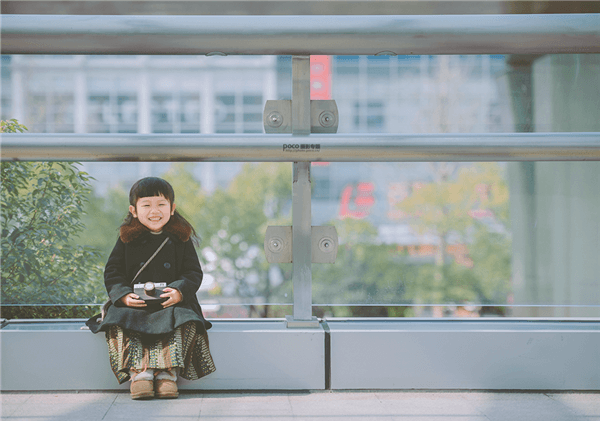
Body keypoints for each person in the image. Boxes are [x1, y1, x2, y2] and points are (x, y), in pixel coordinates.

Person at [86, 177, 216, 400]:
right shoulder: (126, 239)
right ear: (134, 210)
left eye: (161, 205)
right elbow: (113, 272)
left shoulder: (180, 238)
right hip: (136, 301)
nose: (154, 211)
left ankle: (168, 374)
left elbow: (193, 272)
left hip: (170, 301)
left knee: (185, 319)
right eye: (146, 205)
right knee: (121, 319)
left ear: (172, 208)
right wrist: (123, 295)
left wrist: (179, 291)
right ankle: (141, 375)